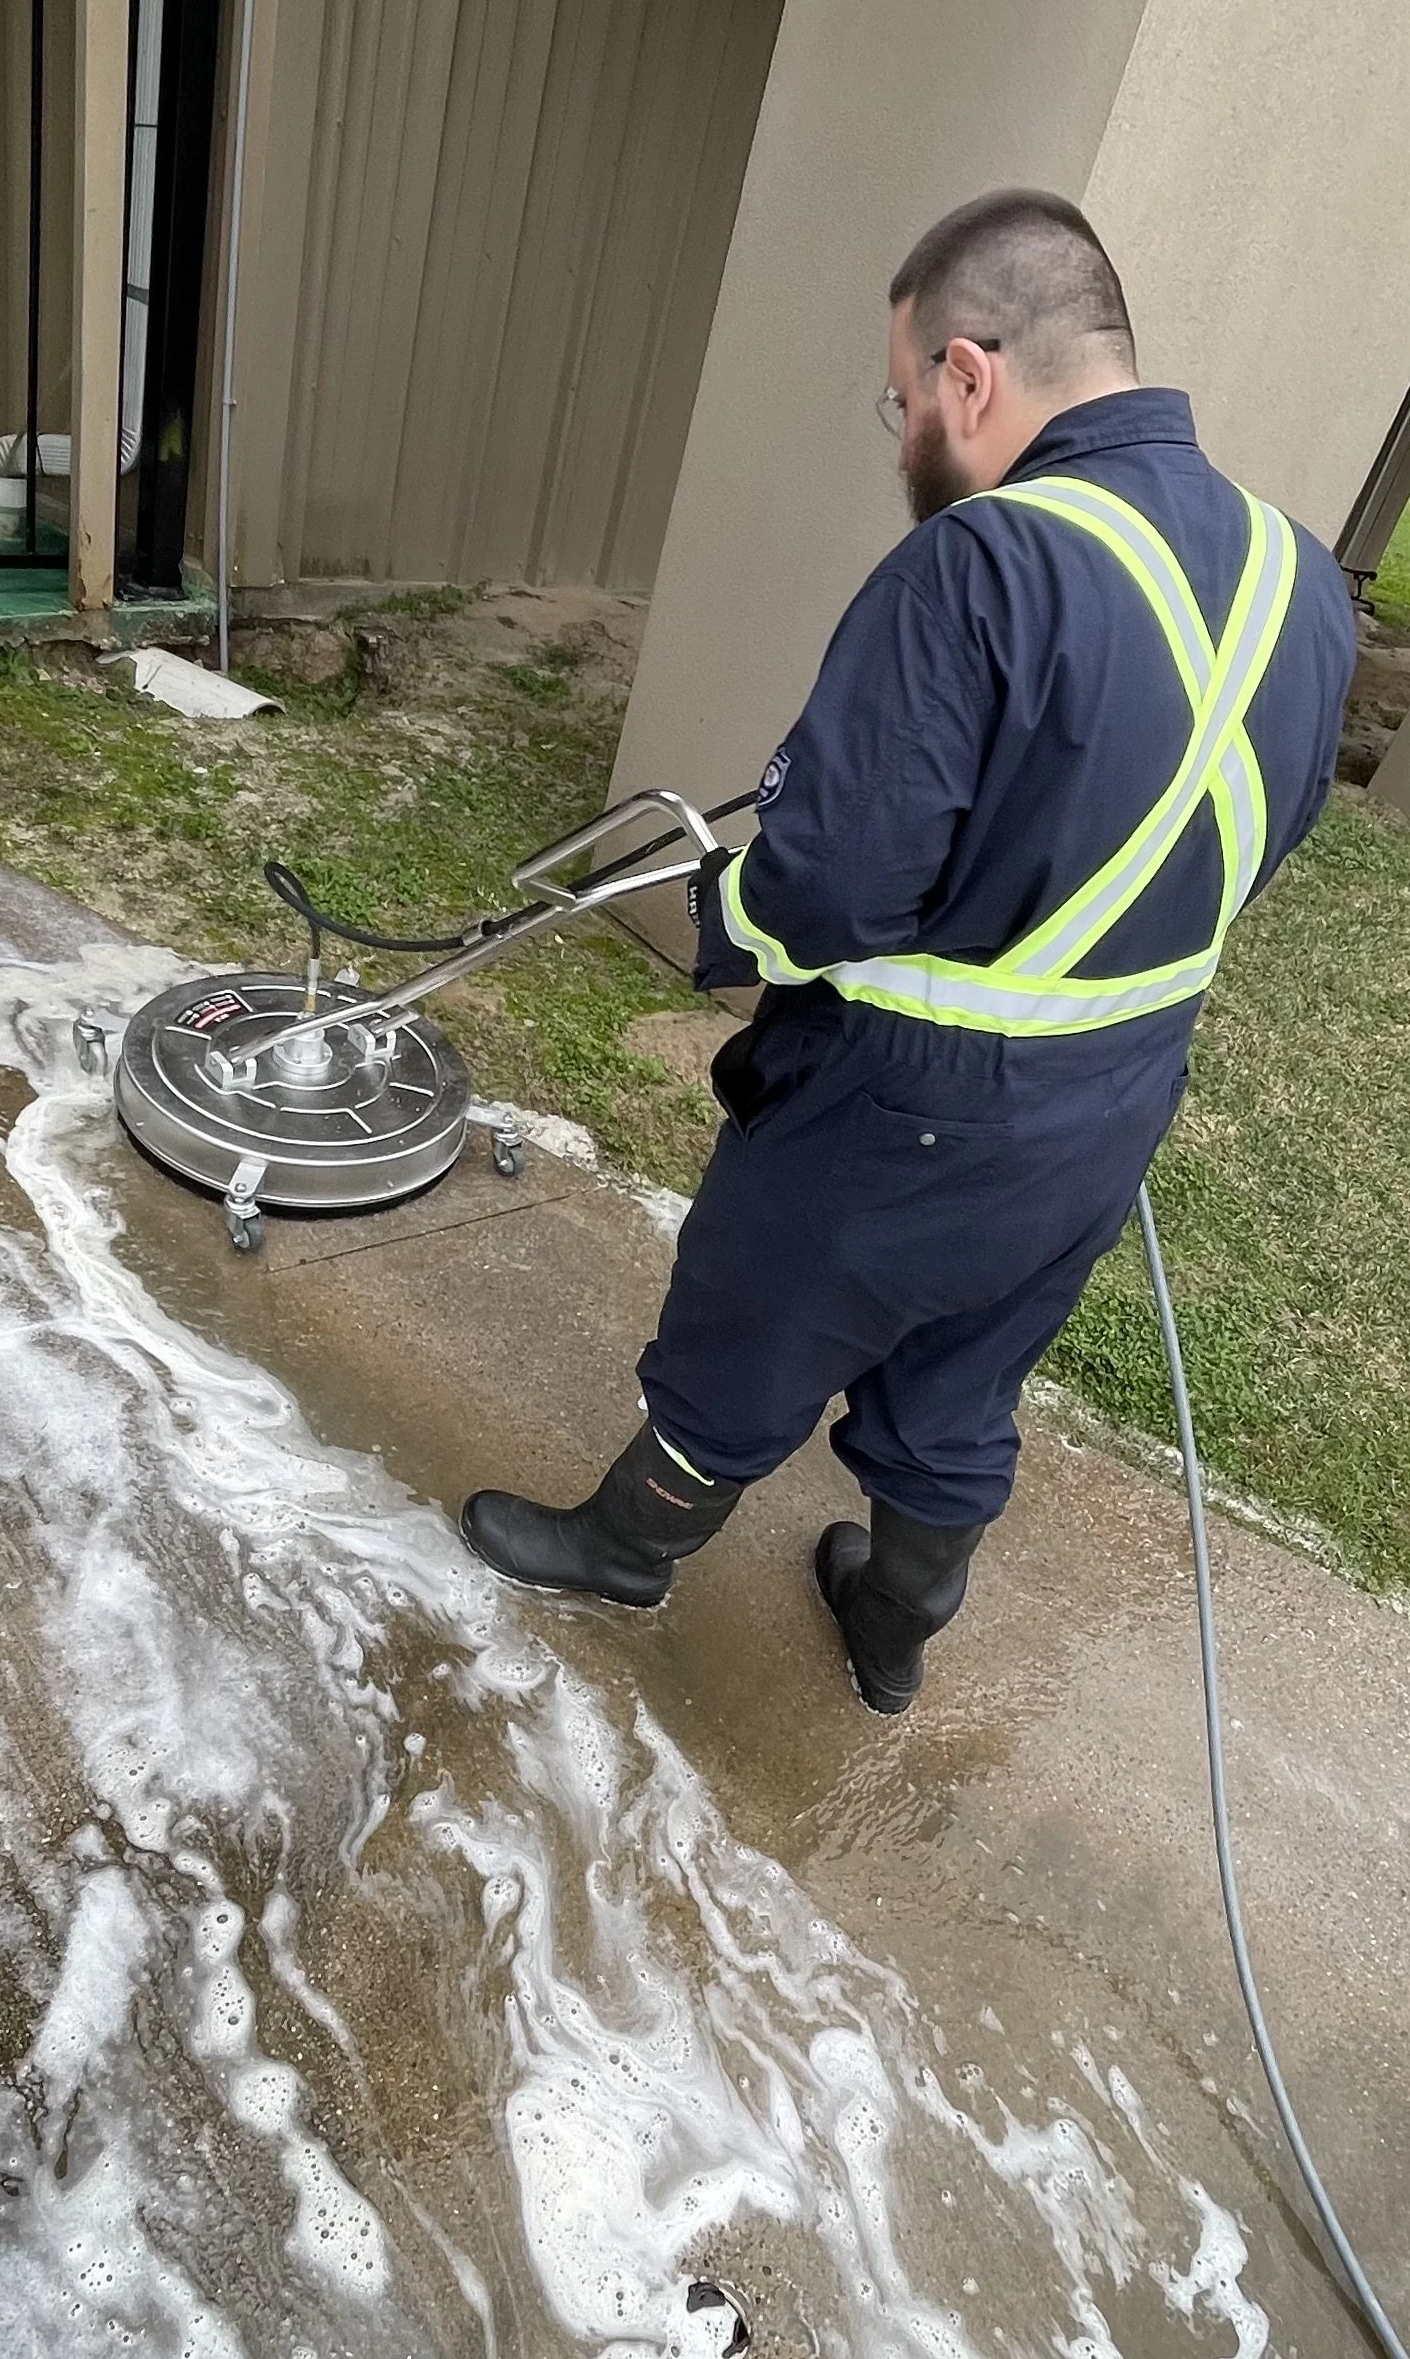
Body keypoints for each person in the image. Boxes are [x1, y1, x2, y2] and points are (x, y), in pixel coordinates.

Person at [461, 189, 1355, 1714]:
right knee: (966, 1365)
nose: (902, 442)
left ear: (969, 372)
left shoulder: (979, 569)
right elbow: (1269, 826)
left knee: (753, 1322)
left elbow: (831, 887)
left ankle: (626, 1545)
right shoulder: (1300, 576)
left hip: (909, 1095)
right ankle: (898, 1618)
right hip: (1119, 1086)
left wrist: (724, 912)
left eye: (900, 401)